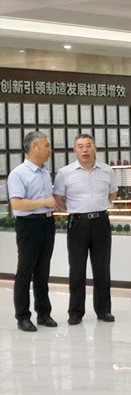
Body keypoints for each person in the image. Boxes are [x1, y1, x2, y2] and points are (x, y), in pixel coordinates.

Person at [53, 133, 118, 325]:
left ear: (95, 148)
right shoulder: (65, 173)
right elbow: (58, 198)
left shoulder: (107, 171)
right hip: (77, 223)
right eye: (80, 146)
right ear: (75, 150)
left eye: (88, 145)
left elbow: (113, 193)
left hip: (100, 222)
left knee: (102, 268)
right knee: (77, 269)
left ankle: (104, 310)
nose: (85, 150)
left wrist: (99, 206)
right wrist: (73, 210)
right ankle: (75, 312)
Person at [7, 131, 58, 332]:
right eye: (46, 145)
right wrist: (44, 202)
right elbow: (17, 204)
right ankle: (22, 317)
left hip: (47, 223)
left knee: (43, 271)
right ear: (34, 147)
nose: (50, 150)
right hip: (28, 225)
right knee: (25, 271)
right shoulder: (18, 174)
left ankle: (43, 314)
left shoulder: (45, 172)